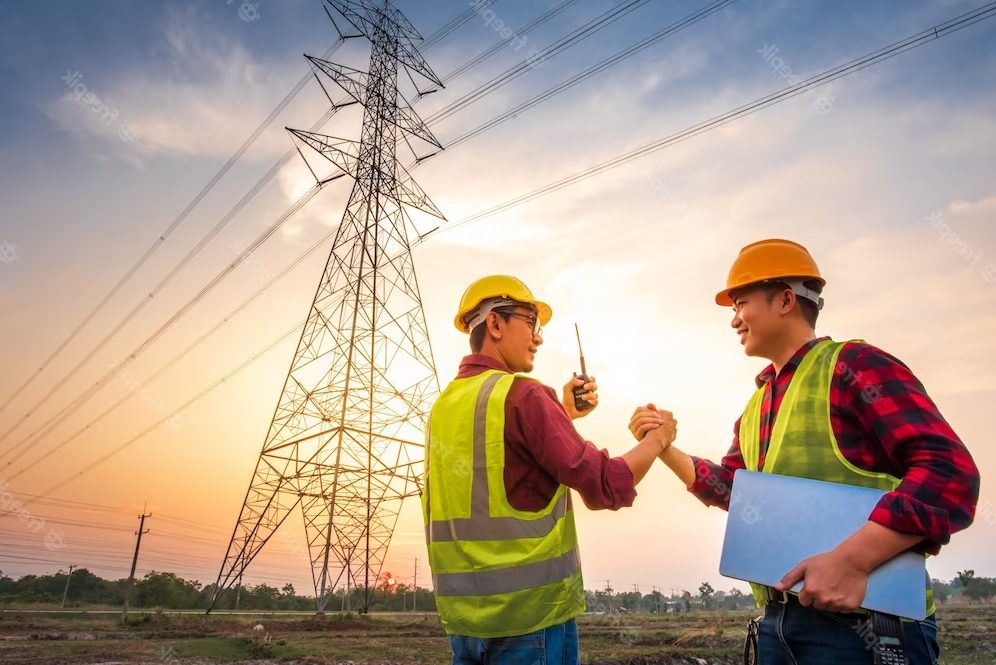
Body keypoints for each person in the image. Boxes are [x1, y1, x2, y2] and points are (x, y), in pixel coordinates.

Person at [631, 239, 979, 664]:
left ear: (784, 300)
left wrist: (852, 560)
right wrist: (664, 446)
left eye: (740, 303)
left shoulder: (855, 365)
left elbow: (950, 474)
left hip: (870, 624)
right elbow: (736, 492)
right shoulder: (757, 404)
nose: (734, 321)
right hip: (782, 621)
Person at [422, 274, 676, 665]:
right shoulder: (524, 395)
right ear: (495, 324)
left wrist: (562, 413)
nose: (538, 337)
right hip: (530, 622)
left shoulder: (444, 407)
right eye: (530, 323)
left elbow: (508, 471)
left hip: (464, 629)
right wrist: (657, 440)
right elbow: (604, 483)